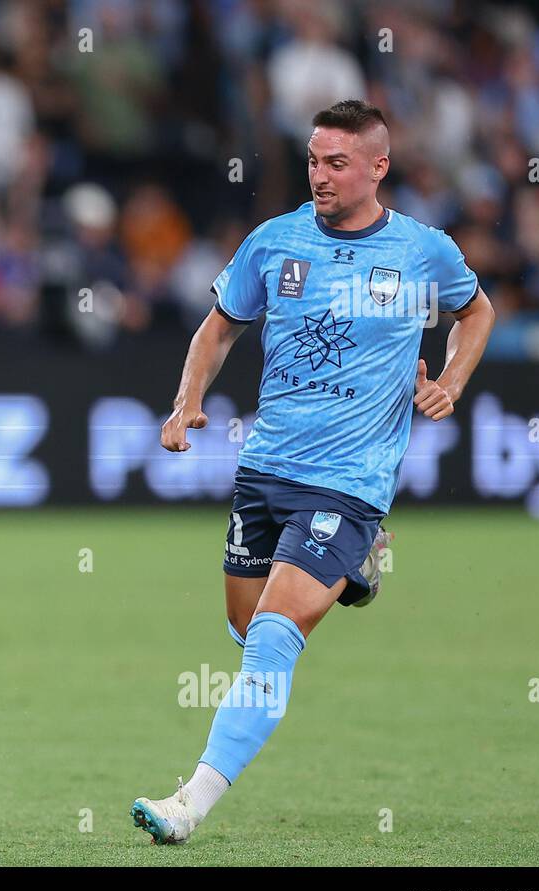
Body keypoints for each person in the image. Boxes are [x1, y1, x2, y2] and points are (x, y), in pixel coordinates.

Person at [132, 100, 496, 844]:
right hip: (266, 470)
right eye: (312, 161)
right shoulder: (276, 240)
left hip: (350, 482)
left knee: (270, 635)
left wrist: (451, 381)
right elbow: (219, 328)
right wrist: (185, 403)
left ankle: (188, 805)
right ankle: (359, 566)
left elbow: (478, 310)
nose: (320, 176)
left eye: (336, 163)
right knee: (243, 623)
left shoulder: (423, 250)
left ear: (377, 167)